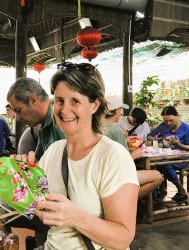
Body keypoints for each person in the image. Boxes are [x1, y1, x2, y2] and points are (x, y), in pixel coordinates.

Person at [35, 62, 139, 249]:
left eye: (74, 101)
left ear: (94, 105)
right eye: (59, 101)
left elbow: (123, 237)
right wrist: (18, 176)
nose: (64, 110)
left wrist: (75, 217)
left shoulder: (112, 156)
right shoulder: (53, 151)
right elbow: (34, 202)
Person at [104, 95, 162, 200]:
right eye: (120, 110)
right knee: (158, 176)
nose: (121, 112)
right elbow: (123, 163)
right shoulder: (116, 131)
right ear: (115, 111)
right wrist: (135, 154)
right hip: (114, 176)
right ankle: (125, 201)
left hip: (103, 172)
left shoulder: (96, 126)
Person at [7, 77, 65, 161]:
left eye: (18, 110)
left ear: (32, 100)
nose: (18, 118)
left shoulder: (61, 118)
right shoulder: (44, 124)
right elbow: (38, 162)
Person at [147, 106, 189, 203]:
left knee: (162, 163)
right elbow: (149, 136)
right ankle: (161, 188)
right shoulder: (163, 126)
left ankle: (181, 190)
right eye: (166, 121)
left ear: (177, 116)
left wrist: (178, 144)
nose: (168, 123)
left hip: (182, 159)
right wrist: (159, 140)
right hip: (165, 157)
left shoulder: (187, 129)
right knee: (153, 163)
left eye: (171, 120)